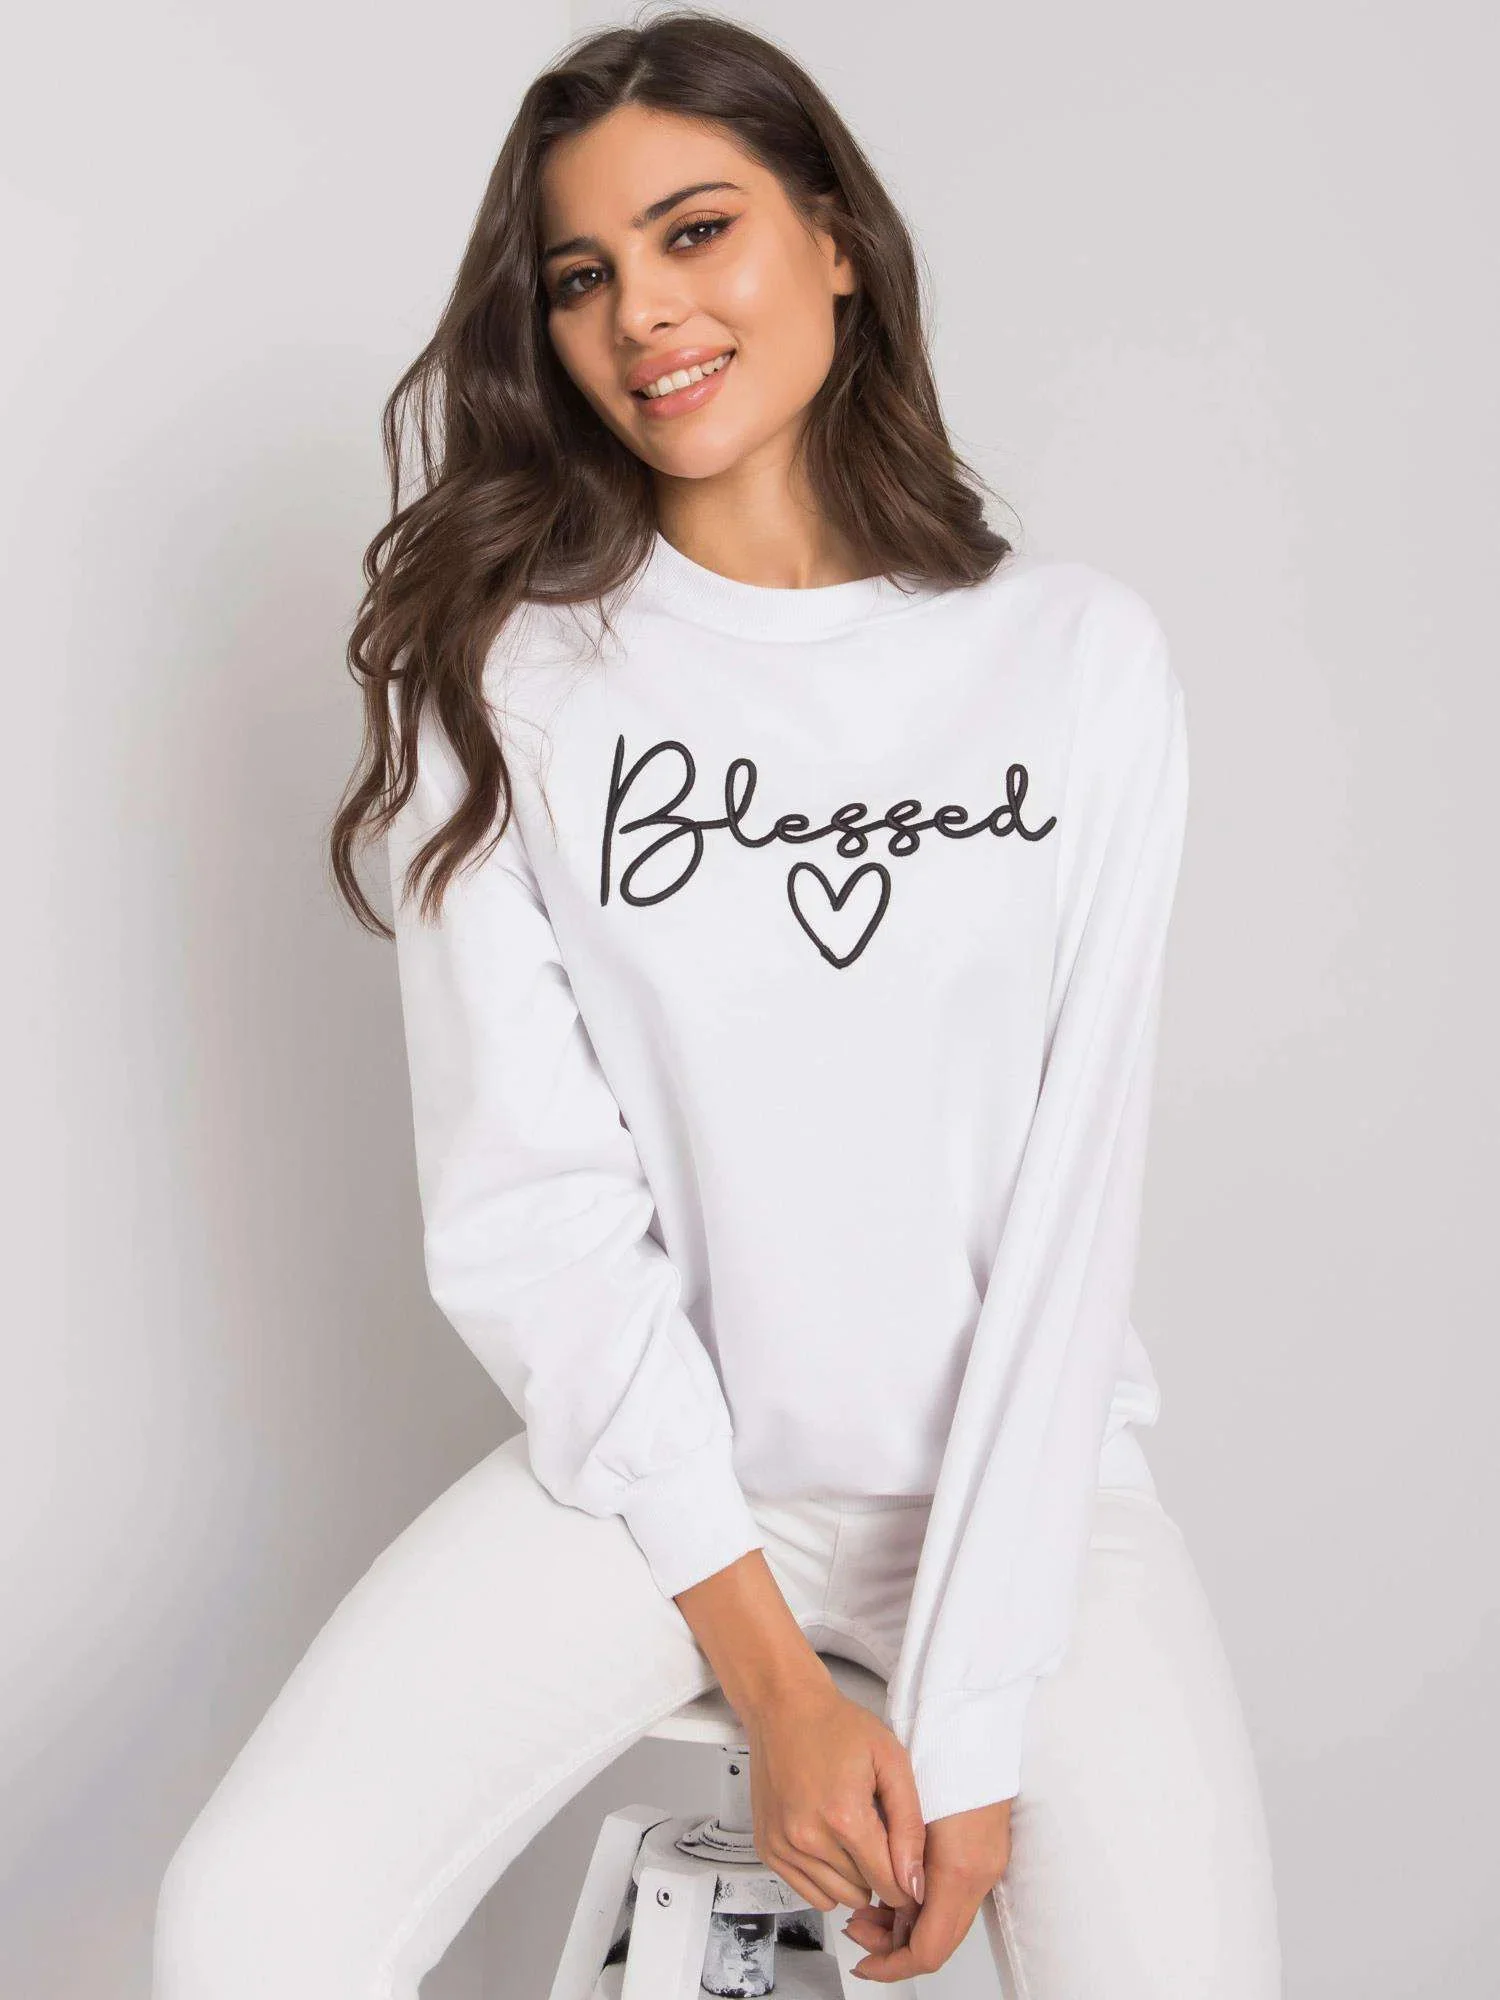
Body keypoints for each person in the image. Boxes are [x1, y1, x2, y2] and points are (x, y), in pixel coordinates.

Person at [152, 13, 1282, 1996]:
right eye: (580, 276)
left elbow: (1072, 1209)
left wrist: (974, 1728)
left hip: (1027, 1491)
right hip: (658, 1484)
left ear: (834, 240)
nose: (642, 315)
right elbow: (534, 1207)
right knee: (254, 1915)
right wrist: (775, 1679)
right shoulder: (513, 682)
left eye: (697, 233)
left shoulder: (1073, 660)